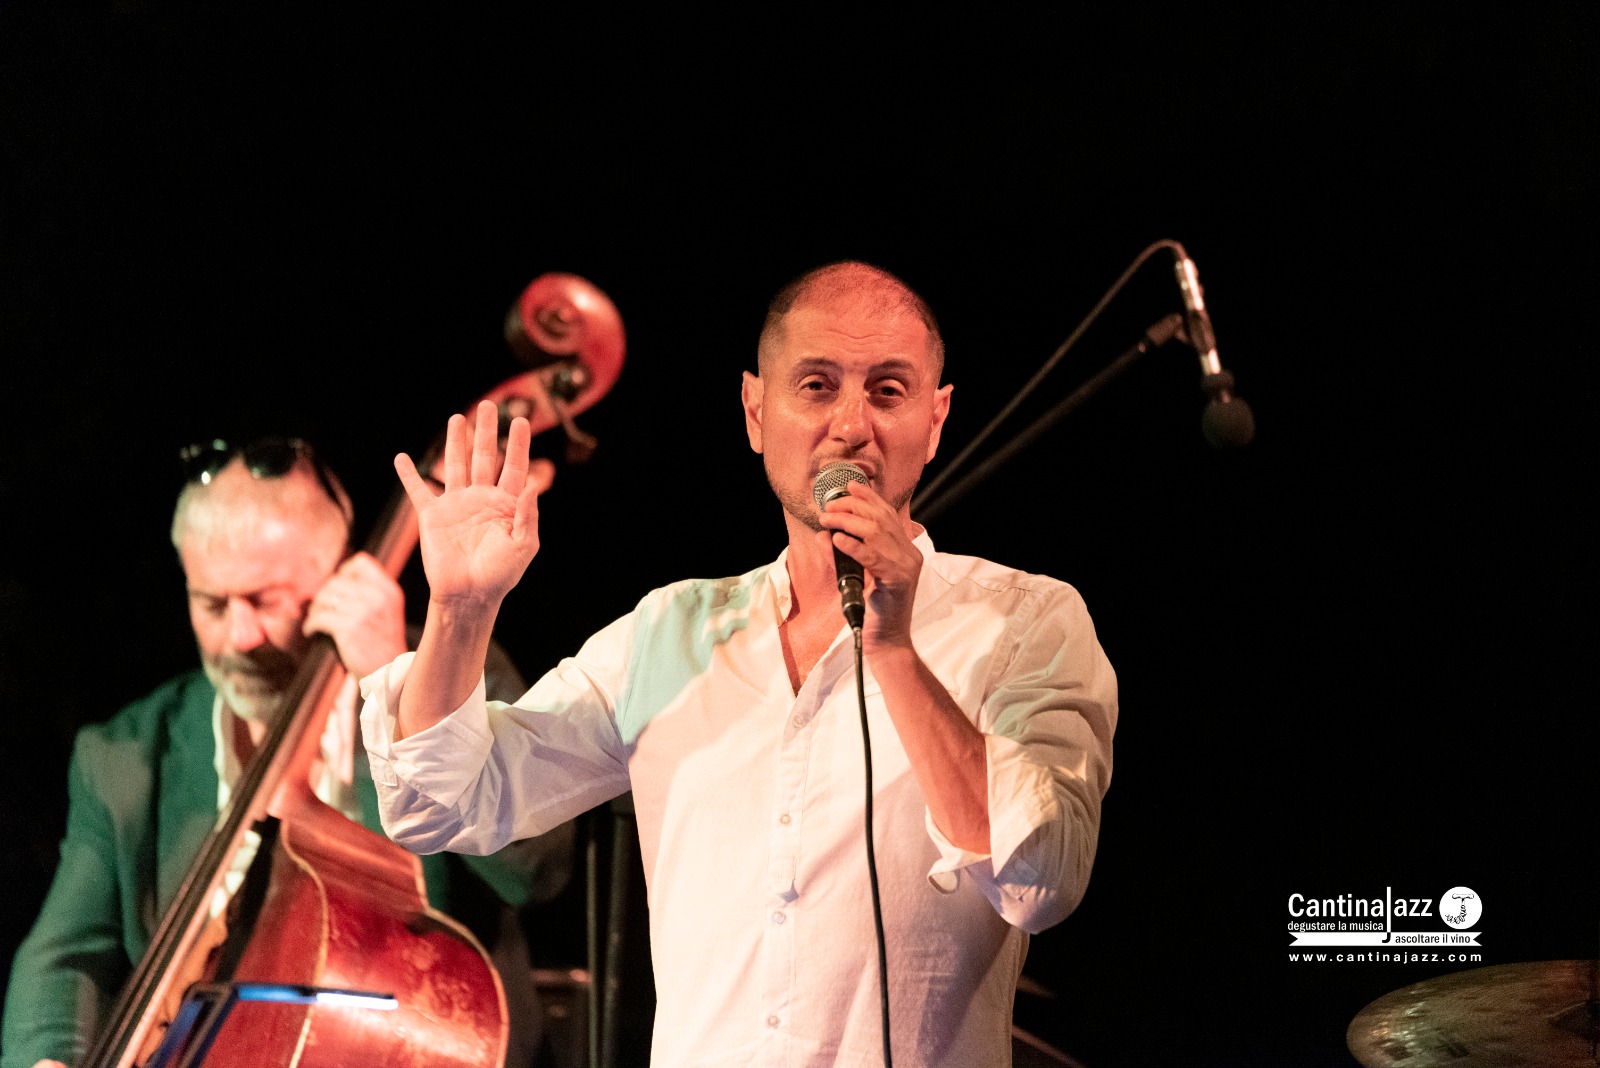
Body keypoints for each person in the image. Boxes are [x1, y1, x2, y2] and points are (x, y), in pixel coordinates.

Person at [361, 261, 1118, 1066]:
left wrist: (892, 649)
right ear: (757, 411)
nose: (851, 425)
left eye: (888, 392)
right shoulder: (669, 633)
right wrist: (461, 612)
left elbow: (1043, 879)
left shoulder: (1026, 620)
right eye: (818, 386)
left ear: (935, 422)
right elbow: (439, 802)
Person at [2, 438, 573, 1068]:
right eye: (212, 605)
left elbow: (537, 871)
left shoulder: (453, 676)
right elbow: (65, 955)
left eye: (265, 601)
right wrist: (48, 1058)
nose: (239, 638)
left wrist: (396, 681)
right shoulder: (127, 755)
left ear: (339, 581)